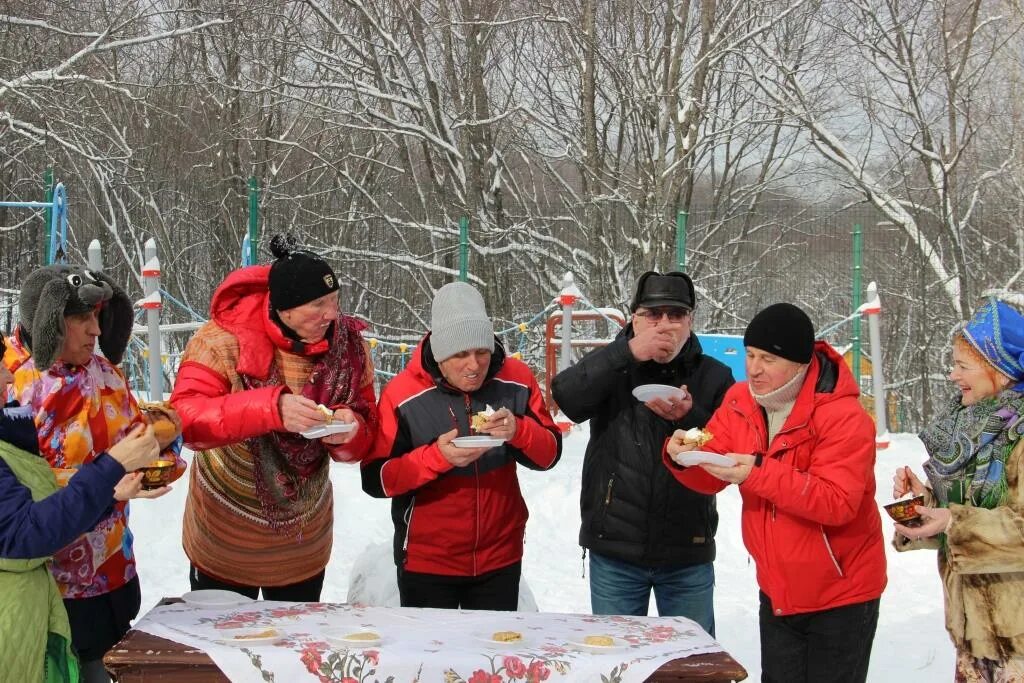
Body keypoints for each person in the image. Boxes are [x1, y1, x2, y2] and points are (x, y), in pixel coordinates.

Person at [664, 302, 886, 683]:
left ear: (800, 364)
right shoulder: (739, 400)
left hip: (840, 593)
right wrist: (681, 456)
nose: (753, 368)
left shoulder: (843, 417)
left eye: (767, 359)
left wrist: (757, 473)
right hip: (779, 590)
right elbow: (715, 469)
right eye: (750, 355)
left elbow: (837, 502)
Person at [170, 234, 378, 602]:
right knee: (226, 647)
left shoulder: (350, 348)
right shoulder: (222, 341)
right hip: (224, 539)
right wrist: (270, 409)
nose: (333, 314)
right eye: (318, 304)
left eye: (335, 300)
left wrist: (350, 431)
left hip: (303, 545)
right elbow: (184, 418)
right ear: (284, 309)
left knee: (293, 650)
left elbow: (367, 428)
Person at [2, 265, 183, 683]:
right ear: (47, 321)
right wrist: (109, 481)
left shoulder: (107, 375)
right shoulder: (18, 392)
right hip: (57, 591)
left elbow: (140, 439)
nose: (96, 330)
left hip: (116, 575)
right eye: (81, 318)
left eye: (99, 315)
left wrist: (162, 451)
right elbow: (29, 494)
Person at [550, 270, 733, 633]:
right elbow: (566, 397)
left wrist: (691, 418)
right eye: (653, 314)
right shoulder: (613, 365)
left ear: (690, 321)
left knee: (691, 666)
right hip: (615, 548)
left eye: (676, 315)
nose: (664, 324)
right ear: (634, 318)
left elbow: (731, 449)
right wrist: (629, 352)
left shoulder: (715, 376)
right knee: (616, 662)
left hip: (687, 549)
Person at [362, 282, 561, 610]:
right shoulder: (402, 394)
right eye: (460, 354)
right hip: (427, 562)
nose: (474, 365)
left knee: (494, 657)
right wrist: (437, 458)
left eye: (482, 351)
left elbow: (550, 455)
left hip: (500, 557)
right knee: (431, 659)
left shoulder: (516, 379)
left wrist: (518, 430)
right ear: (440, 355)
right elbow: (375, 479)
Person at [891, 295, 1024, 681]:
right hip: (975, 639)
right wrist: (927, 504)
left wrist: (953, 521)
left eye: (963, 366)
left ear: (999, 369)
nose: (953, 375)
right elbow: (967, 514)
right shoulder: (975, 431)